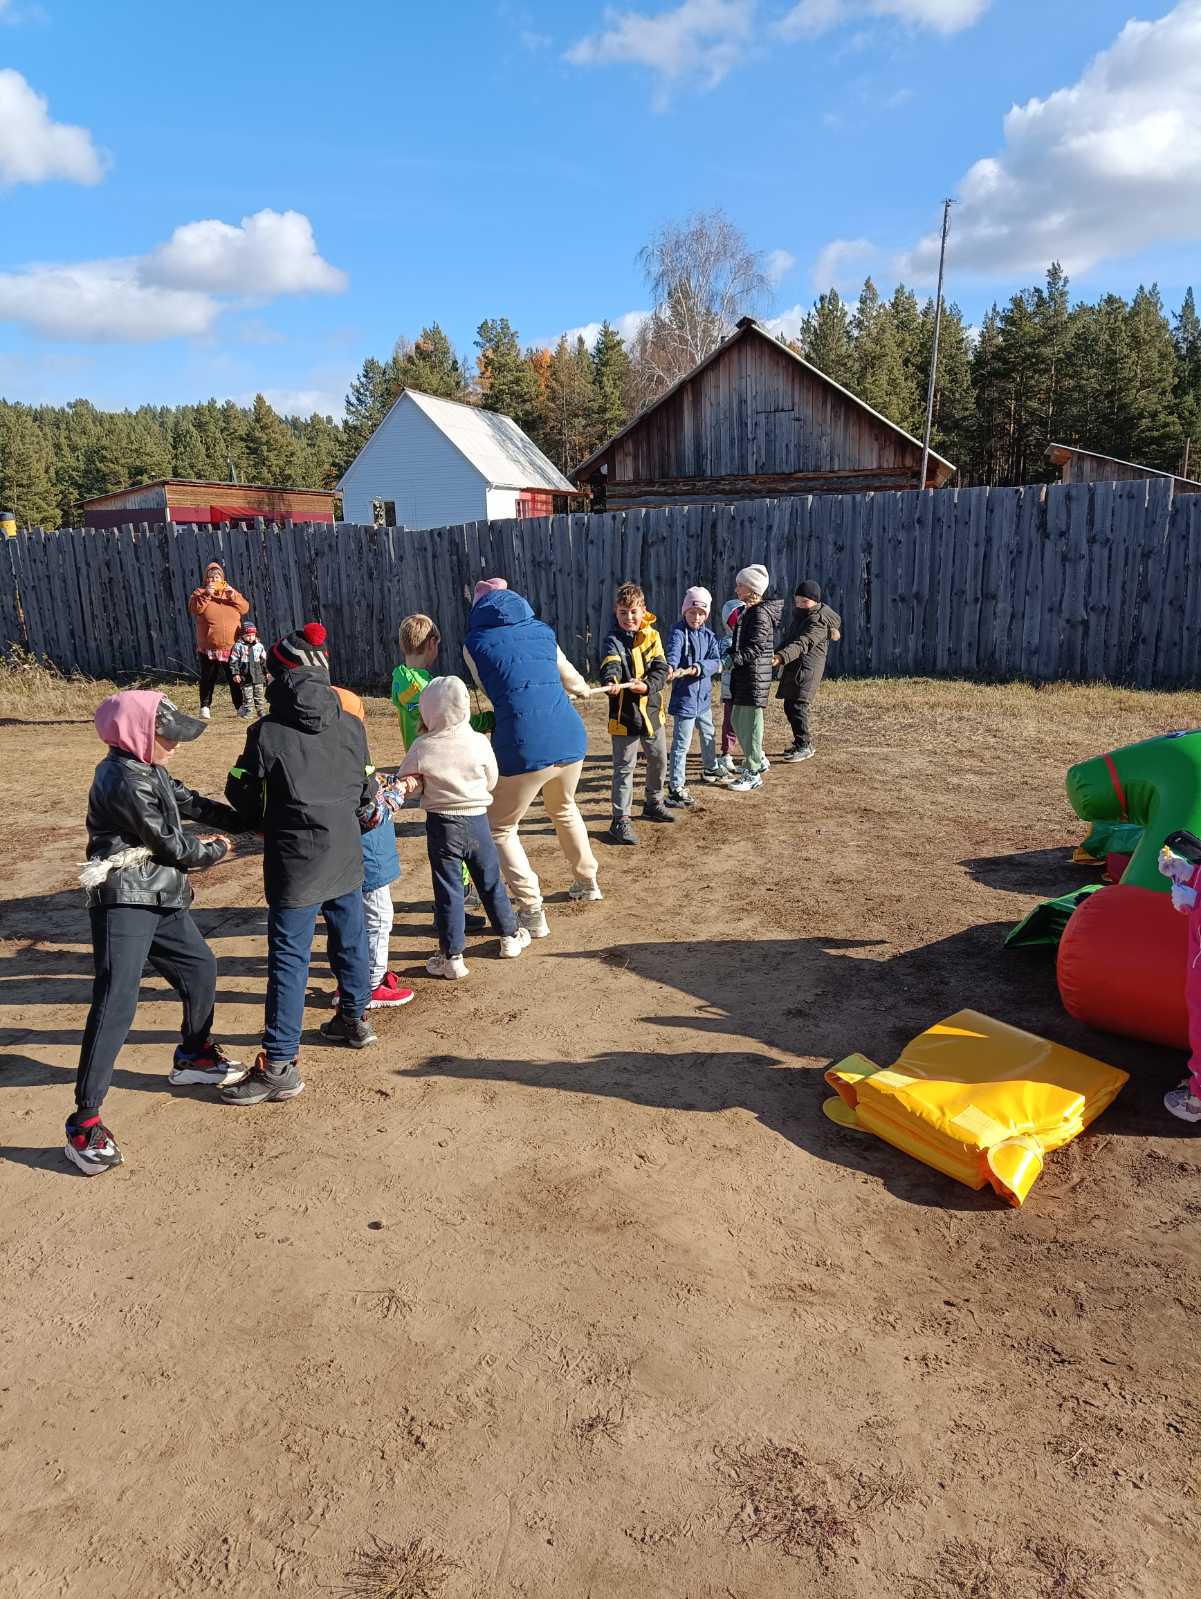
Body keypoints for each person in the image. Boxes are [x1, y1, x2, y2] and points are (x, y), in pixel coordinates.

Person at [66, 691, 246, 1176]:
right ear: (138, 735)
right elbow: (172, 844)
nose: (176, 744)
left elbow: (191, 803)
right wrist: (219, 849)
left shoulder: (149, 768)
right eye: (168, 735)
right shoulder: (122, 777)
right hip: (126, 900)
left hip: (160, 895)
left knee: (200, 967)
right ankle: (84, 1122)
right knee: (116, 1001)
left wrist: (251, 821)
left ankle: (193, 1053)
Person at [223, 623, 381, 1105]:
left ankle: (279, 1062)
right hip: (346, 852)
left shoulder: (266, 733)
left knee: (290, 957)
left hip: (296, 861)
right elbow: (368, 790)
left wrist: (251, 806)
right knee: (349, 933)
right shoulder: (352, 724)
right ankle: (353, 1019)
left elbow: (243, 797)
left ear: (277, 676)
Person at [464, 584, 603, 929]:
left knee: (500, 828)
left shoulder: (474, 644)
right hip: (568, 733)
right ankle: (588, 882)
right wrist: (582, 688)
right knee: (565, 808)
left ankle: (531, 908)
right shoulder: (542, 631)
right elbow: (568, 674)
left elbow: (489, 688)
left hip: (523, 742)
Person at [395, 676, 531, 979]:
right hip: (477, 820)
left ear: (429, 710)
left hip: (442, 824)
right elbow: (492, 779)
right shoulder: (479, 741)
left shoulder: (422, 745)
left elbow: (409, 784)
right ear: (464, 707)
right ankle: (509, 936)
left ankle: (452, 956)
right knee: (491, 881)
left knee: (448, 889)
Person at [391, 609, 493, 923]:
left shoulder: (400, 679)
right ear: (433, 644)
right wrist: (486, 719)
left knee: (442, 833)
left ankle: (453, 899)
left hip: (421, 761)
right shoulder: (429, 687)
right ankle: (455, 902)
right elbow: (454, 721)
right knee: (456, 829)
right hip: (442, 761)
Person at [332, 687, 416, 1010]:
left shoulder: (328, 757)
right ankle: (371, 984)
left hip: (345, 859)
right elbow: (370, 813)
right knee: (379, 917)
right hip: (367, 857)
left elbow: (365, 786)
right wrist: (398, 793)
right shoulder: (350, 754)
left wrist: (385, 782)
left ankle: (352, 980)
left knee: (353, 922)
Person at [599, 582, 674, 846]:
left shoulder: (653, 636)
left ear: (643, 610)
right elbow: (611, 664)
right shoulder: (612, 640)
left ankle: (653, 802)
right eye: (622, 612)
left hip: (652, 714)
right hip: (625, 716)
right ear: (615, 612)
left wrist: (648, 686)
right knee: (624, 768)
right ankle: (620, 819)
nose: (628, 617)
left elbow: (661, 668)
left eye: (633, 611)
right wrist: (612, 682)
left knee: (659, 760)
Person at [726, 564, 783, 794]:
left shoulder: (759, 613)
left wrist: (734, 660)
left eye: (740, 584)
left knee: (749, 725)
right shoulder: (747, 611)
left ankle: (753, 773)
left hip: (753, 678)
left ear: (751, 588)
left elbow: (756, 648)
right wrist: (731, 655)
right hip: (744, 677)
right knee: (738, 720)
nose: (736, 588)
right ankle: (757, 759)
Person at [664, 585, 722, 806]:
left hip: (703, 700)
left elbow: (716, 662)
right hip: (685, 700)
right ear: (684, 612)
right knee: (682, 743)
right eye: (692, 612)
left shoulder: (709, 636)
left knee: (708, 734)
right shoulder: (679, 633)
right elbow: (674, 651)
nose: (696, 617)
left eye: (701, 613)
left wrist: (699, 667)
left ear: (706, 615)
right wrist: (671, 666)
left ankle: (710, 768)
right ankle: (675, 786)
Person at [772, 580, 842, 762]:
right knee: (790, 705)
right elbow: (789, 640)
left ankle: (805, 745)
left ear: (815, 601)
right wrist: (775, 653)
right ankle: (800, 742)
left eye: (805, 602)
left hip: (807, 670)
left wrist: (781, 658)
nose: (801, 605)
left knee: (797, 706)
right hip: (797, 667)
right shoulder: (801, 616)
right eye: (798, 601)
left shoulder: (818, 621)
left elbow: (802, 643)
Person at [187, 561, 249, 719]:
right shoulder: (199, 593)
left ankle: (240, 706)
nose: (214, 579)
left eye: (217, 576)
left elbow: (244, 608)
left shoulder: (229, 593)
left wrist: (233, 595)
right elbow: (195, 609)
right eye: (211, 577)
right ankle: (205, 707)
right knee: (208, 677)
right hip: (209, 645)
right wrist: (207, 594)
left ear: (222, 578)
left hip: (231, 645)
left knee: (234, 676)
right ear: (206, 579)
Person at [715, 598, 743, 780]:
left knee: (748, 723)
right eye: (737, 618)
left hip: (748, 689)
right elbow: (726, 663)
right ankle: (726, 754)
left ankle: (754, 753)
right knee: (730, 723)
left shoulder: (750, 638)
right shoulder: (726, 641)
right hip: (731, 689)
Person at [229, 620, 268, 721]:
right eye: (248, 635)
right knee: (247, 696)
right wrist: (236, 673)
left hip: (258, 675)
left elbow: (264, 661)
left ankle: (261, 712)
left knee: (259, 695)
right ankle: (249, 712)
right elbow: (234, 660)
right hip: (245, 676)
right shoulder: (238, 646)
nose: (251, 638)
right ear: (242, 635)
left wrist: (267, 672)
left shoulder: (259, 646)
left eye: (253, 635)